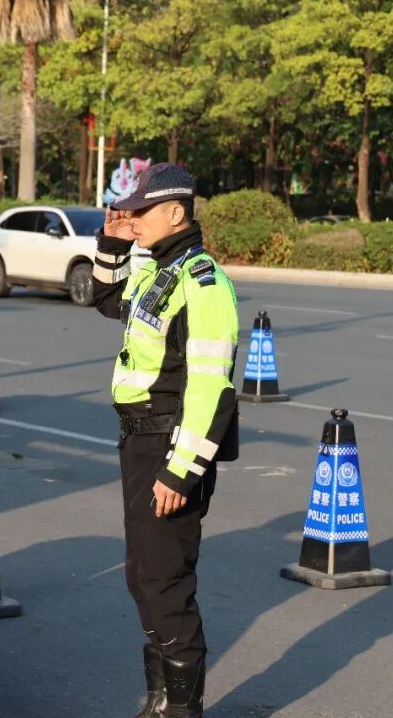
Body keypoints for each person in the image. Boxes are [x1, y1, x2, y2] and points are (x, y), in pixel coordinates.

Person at [93, 163, 239, 718]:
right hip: (138, 444)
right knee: (142, 576)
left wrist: (181, 471)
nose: (134, 220)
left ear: (176, 212)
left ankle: (182, 709)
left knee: (165, 581)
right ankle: (159, 701)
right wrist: (113, 240)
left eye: (141, 211)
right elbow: (106, 298)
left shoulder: (203, 283)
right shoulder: (159, 270)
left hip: (169, 447)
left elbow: (210, 388)